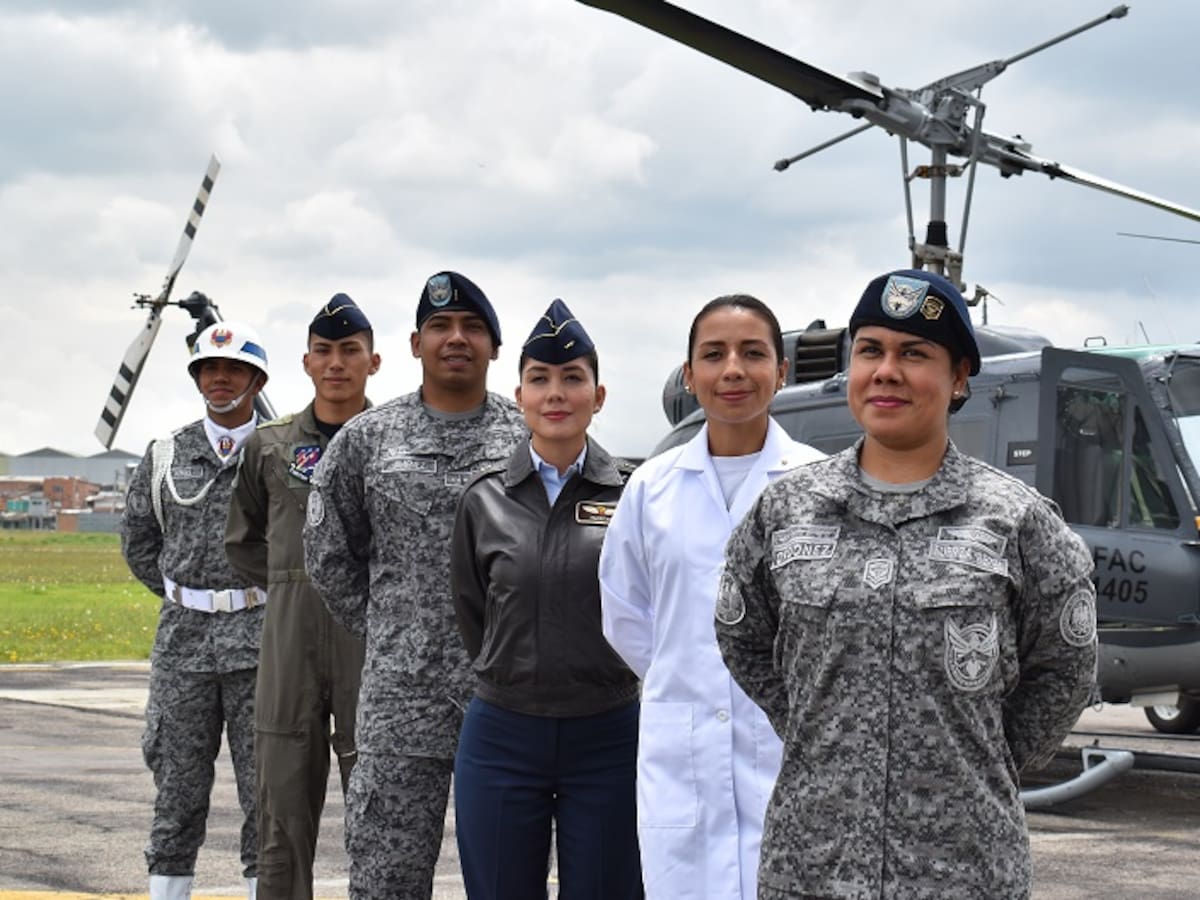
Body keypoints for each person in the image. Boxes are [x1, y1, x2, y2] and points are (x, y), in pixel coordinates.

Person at [715, 269, 1099, 899]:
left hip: (964, 870)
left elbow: (1064, 670)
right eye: (871, 351)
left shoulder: (1018, 522)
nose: (886, 372)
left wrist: (982, 755)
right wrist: (818, 723)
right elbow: (743, 636)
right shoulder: (785, 511)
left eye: (914, 354)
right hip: (812, 865)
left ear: (959, 377)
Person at [302, 271, 527, 899]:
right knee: (387, 879)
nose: (456, 338)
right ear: (414, 343)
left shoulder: (530, 438)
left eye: (472, 327)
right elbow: (328, 554)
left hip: (510, 695)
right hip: (400, 702)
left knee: (510, 877)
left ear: (494, 347)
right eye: (440, 326)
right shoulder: (367, 439)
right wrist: (394, 630)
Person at [598, 294, 824, 899]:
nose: (733, 370)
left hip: (787, 747)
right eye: (714, 354)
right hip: (683, 750)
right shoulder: (651, 487)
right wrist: (689, 674)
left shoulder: (820, 487)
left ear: (781, 370)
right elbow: (624, 611)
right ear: (689, 374)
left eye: (753, 353)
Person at [450, 299, 643, 899]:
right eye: (540, 379)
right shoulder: (484, 499)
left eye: (572, 378)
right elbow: (474, 613)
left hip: (609, 733)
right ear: (520, 396)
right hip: (504, 733)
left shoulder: (635, 495)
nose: (556, 393)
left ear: (598, 395)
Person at [225, 295, 379, 900]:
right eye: (324, 351)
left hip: (371, 638)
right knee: (282, 811)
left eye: (350, 351)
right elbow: (243, 541)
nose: (336, 362)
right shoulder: (269, 446)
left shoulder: (393, 443)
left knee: (381, 808)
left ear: (373, 361)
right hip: (289, 641)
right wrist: (295, 582)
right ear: (307, 362)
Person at [121, 321, 271, 900]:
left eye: (233, 369)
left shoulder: (279, 453)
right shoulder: (166, 455)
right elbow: (139, 542)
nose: (219, 379)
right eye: (209, 368)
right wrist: (188, 597)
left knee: (266, 791)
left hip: (262, 644)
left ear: (256, 381)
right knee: (176, 791)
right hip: (183, 648)